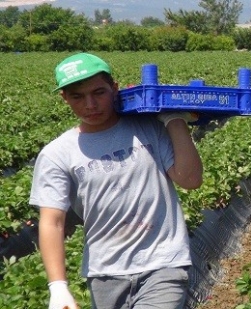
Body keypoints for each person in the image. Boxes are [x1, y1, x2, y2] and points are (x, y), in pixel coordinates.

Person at [30, 53, 203, 309]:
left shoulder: (147, 129)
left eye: (98, 92)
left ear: (114, 88)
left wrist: (175, 120)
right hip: (105, 273)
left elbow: (190, 180)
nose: (90, 104)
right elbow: (52, 222)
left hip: (164, 263)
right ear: (64, 98)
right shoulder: (57, 154)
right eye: (78, 96)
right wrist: (58, 287)